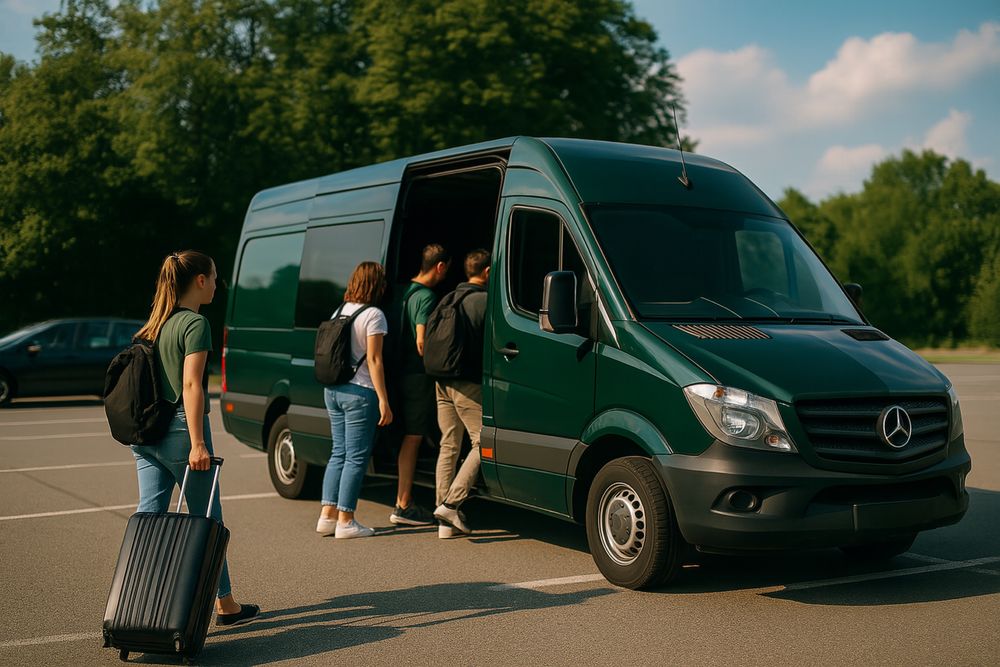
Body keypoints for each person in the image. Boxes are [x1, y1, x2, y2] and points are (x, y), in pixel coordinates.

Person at [131, 250, 259, 626]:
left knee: (149, 518)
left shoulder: (155, 323)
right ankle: (225, 604)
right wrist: (198, 442)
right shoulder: (193, 324)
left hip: (146, 434)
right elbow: (191, 385)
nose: (218, 284)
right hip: (179, 434)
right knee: (207, 522)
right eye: (215, 277)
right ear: (200, 280)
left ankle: (140, 599)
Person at [316, 261, 393, 539]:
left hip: (333, 390)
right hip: (360, 393)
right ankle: (346, 521)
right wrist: (384, 399)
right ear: (376, 284)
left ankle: (327, 516)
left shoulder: (341, 310)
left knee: (338, 452)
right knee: (356, 458)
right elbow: (374, 360)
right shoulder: (374, 314)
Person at [390, 244, 450, 526]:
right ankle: (404, 503)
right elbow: (421, 340)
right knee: (414, 437)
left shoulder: (402, 290)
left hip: (399, 372)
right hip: (417, 376)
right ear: (439, 267)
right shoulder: (426, 296)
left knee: (408, 435)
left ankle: (403, 499)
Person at [432, 250, 490, 538]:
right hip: (466, 382)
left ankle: (444, 521)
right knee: (483, 441)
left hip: (441, 380)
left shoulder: (448, 297)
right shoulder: (483, 301)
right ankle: (451, 503)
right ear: (488, 272)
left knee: (449, 446)